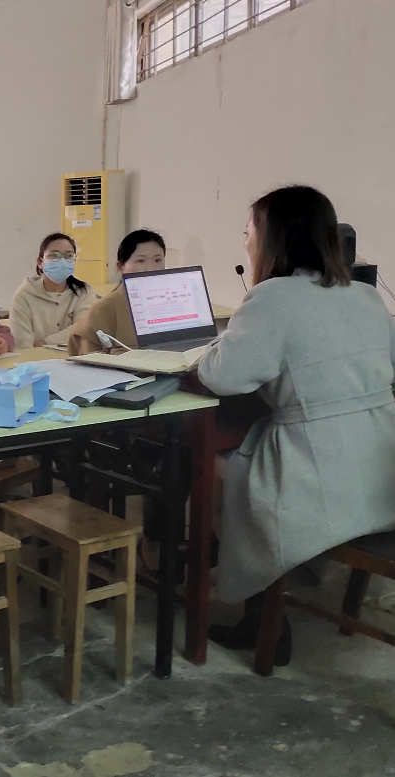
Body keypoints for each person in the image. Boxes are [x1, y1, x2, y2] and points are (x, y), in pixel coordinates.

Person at [198, 185, 395, 666]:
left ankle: (262, 613)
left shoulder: (272, 297)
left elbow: (224, 376)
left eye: (249, 231)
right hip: (380, 475)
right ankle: (265, 603)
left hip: (318, 476)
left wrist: (210, 351)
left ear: (273, 238)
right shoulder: (366, 296)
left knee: (216, 470)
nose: (246, 240)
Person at [66, 229, 167, 356]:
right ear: (121, 267)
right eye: (141, 261)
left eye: (157, 260)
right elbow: (87, 359)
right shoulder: (103, 310)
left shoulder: (173, 301)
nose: (151, 268)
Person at [10, 233, 96, 350]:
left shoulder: (84, 292)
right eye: (54, 256)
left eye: (69, 256)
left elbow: (82, 329)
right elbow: (23, 344)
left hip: (74, 358)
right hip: (36, 360)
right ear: (40, 262)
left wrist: (46, 342)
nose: (62, 261)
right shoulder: (24, 296)